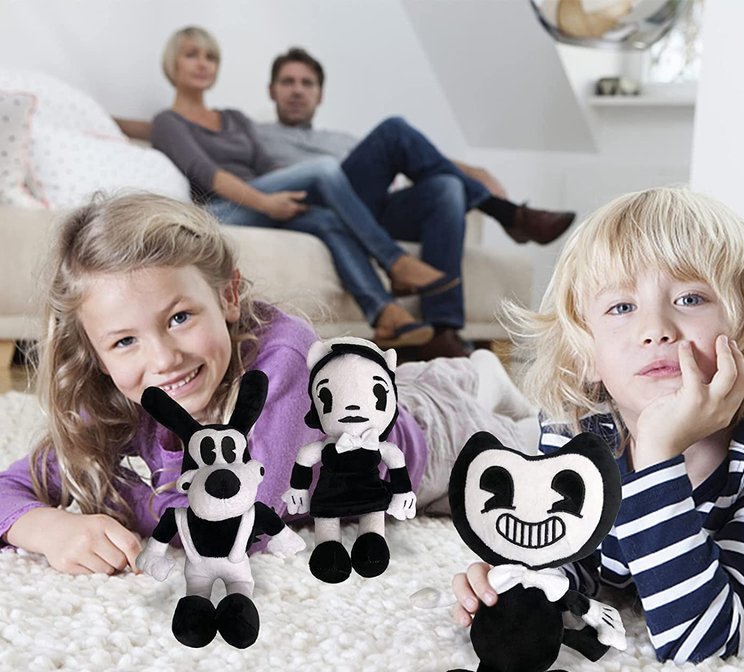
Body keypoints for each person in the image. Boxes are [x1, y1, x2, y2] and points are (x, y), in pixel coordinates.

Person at [0, 192, 540, 575]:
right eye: (124, 341)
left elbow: (252, 517)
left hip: (427, 442)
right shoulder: (118, 403)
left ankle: (474, 385)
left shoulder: (283, 358)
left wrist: (129, 501)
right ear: (95, 356)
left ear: (228, 296)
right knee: (376, 381)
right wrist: (49, 528)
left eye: (180, 317)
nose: (162, 359)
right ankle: (470, 373)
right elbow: (9, 488)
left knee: (530, 457)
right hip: (350, 396)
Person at [452, 186, 744, 664]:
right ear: (585, 354)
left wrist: (658, 454)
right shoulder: (578, 433)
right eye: (621, 307)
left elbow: (705, 641)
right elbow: (572, 554)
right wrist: (520, 583)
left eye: (690, 298)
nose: (655, 329)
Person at [255, 47, 577, 359]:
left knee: (447, 187)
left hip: (364, 210)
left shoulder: (340, 141)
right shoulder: (256, 135)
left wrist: (472, 172)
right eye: (288, 82)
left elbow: (417, 155)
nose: (297, 91)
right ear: (271, 90)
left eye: (307, 83)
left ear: (320, 95)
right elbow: (245, 186)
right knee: (393, 130)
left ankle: (442, 331)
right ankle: (507, 214)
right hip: (313, 205)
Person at [151, 26, 459, 351]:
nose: (203, 63)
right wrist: (268, 202)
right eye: (192, 55)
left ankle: (385, 313)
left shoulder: (235, 118)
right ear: (173, 63)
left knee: (326, 219)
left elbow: (267, 166)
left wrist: (291, 192)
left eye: (210, 57)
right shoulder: (167, 122)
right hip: (221, 210)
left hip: (262, 200)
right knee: (323, 169)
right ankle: (394, 261)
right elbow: (210, 175)